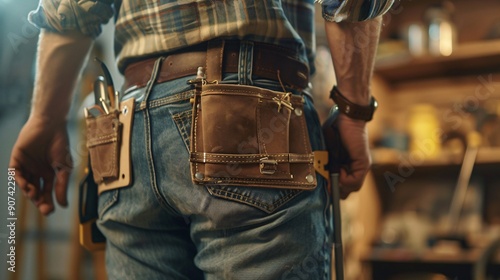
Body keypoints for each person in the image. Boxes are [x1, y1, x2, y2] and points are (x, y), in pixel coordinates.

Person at [10, 0, 393, 279]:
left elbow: (72, 10)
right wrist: (354, 112)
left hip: (128, 136)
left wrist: (45, 116)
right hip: (250, 110)